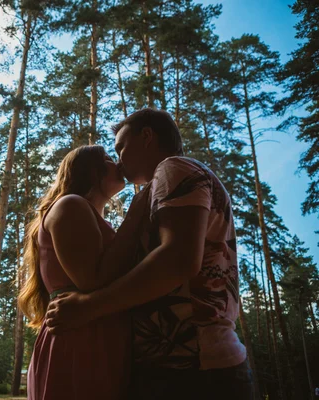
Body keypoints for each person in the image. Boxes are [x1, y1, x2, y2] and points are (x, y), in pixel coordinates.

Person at [45, 109, 253, 400]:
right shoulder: (162, 184)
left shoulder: (172, 168)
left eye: (121, 147)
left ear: (146, 136)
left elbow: (178, 260)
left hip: (192, 369)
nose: (118, 159)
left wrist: (89, 307)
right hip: (183, 364)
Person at [19, 145, 148, 400]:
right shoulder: (70, 205)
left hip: (96, 331)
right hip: (81, 336)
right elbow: (92, 280)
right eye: (109, 159)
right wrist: (135, 217)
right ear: (92, 170)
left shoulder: (85, 212)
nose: (118, 163)